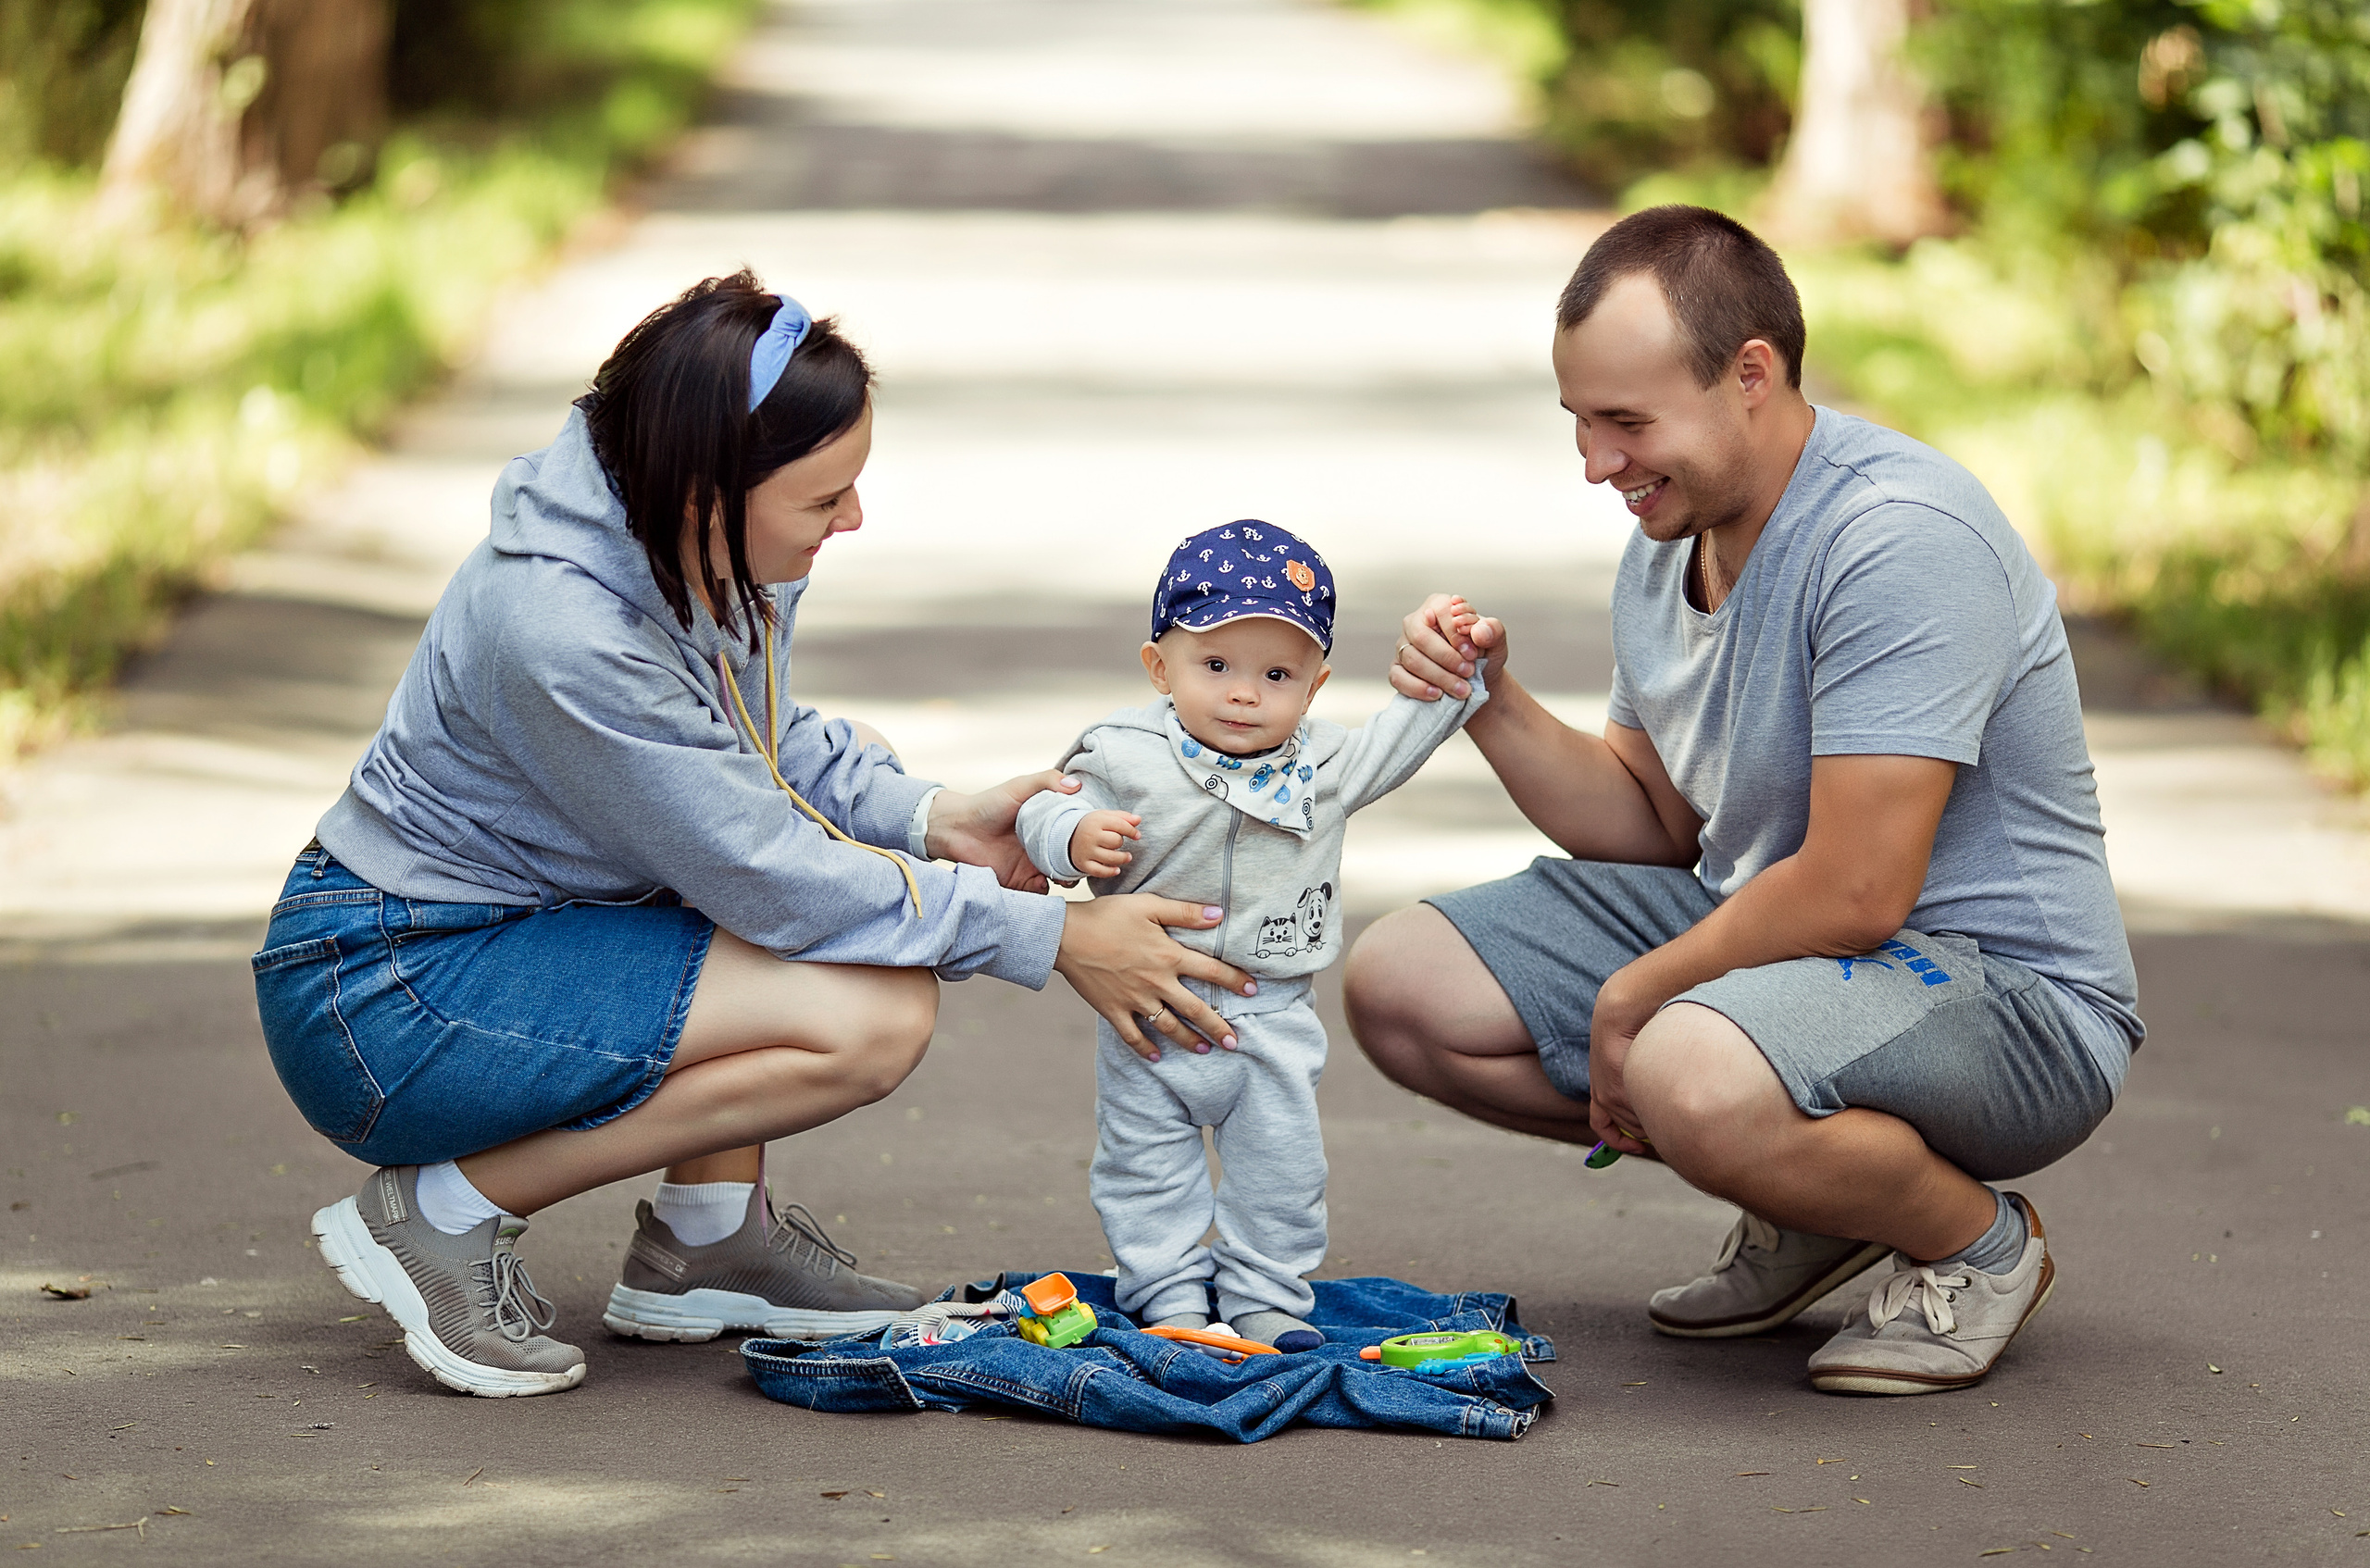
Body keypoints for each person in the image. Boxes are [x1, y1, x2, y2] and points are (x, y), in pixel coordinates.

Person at [251, 272, 1255, 1399]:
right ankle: (437, 1211)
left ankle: (710, 1238)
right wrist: (1052, 935)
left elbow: (750, 749)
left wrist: (937, 818)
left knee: (833, 899)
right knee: (866, 1012)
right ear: (705, 489)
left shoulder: (690, 537)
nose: (853, 520)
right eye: (826, 499)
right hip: (389, 992)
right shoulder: (563, 630)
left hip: (504, 940)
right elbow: (769, 872)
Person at [1346, 206, 2144, 1395]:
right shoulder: (1672, 537)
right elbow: (1655, 820)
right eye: (1580, 422)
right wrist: (1489, 699)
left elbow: (1858, 889)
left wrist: (1632, 998)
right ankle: (1819, 1196)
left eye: (1626, 421)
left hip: (2009, 996)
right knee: (1400, 986)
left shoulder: (1895, 539)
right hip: (1785, 947)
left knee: (1682, 1064)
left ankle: (1974, 1241)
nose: (1596, 463)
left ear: (1751, 375)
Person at [1014, 525, 1487, 1350]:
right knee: (1142, 1166)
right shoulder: (1128, 753)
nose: (1243, 694)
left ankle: (1266, 1296)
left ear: (1314, 686)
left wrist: (1456, 665)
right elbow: (1044, 800)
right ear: (1160, 666)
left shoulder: (1325, 766)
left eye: (1276, 674)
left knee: (1282, 1174)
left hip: (1270, 1018)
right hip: (1148, 1011)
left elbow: (1402, 735)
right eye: (1216, 665)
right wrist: (1071, 834)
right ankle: (1167, 1296)